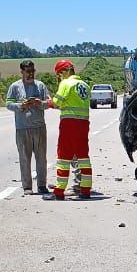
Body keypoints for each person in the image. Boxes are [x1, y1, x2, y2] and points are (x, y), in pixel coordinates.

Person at [5, 60, 50, 194]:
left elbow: (49, 102)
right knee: (24, 158)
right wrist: (20, 106)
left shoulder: (40, 86)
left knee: (41, 158)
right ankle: (27, 187)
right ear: (22, 72)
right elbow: (8, 104)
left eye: (32, 71)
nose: (30, 74)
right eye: (28, 71)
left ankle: (42, 185)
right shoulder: (15, 87)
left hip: (39, 128)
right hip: (22, 128)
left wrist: (39, 103)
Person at [49, 61, 93, 199]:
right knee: (83, 157)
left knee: (63, 157)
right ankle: (85, 190)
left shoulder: (66, 84)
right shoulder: (85, 85)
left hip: (69, 124)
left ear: (64, 72)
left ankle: (59, 192)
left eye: (59, 74)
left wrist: (48, 101)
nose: (60, 77)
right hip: (83, 124)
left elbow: (57, 102)